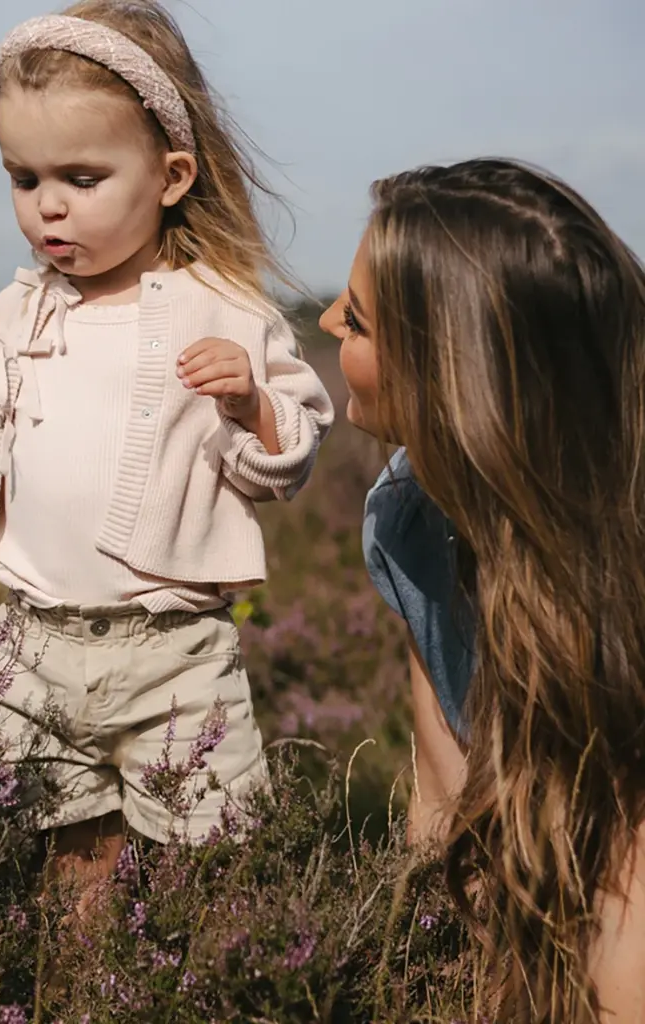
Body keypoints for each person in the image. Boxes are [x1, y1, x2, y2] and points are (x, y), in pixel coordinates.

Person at [0, 0, 333, 914]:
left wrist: (249, 401)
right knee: (71, 863)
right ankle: (88, 997)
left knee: (209, 872)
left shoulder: (224, 310)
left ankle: (198, 990)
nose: (47, 204)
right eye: (24, 176)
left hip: (174, 651)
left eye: (82, 177)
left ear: (171, 175)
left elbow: (285, 462)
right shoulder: (19, 311)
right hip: (35, 642)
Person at [320, 157, 645, 1023]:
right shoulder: (407, 523)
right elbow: (445, 806)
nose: (324, 322)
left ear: (446, 374)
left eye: (354, 319)